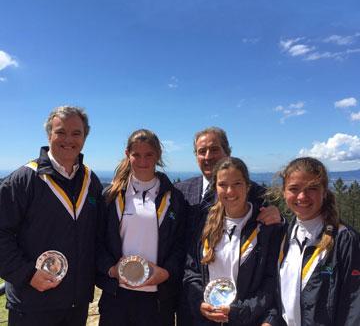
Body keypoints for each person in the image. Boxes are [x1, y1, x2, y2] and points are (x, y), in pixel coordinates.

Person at [0, 106, 104, 326]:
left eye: (76, 133)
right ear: (49, 135)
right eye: (60, 132)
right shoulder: (23, 179)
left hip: (76, 304)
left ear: (85, 137)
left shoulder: (91, 181)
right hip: (32, 304)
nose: (69, 139)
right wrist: (27, 274)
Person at [175, 127, 282, 325]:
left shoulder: (259, 195)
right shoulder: (180, 191)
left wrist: (280, 216)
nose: (208, 156)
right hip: (192, 300)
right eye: (201, 151)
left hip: (242, 308)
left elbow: (273, 237)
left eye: (214, 149)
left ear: (227, 151)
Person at [96, 129, 186, 326]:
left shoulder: (175, 199)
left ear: (158, 156)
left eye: (149, 155)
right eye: (136, 154)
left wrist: (167, 272)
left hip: (158, 299)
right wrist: (111, 270)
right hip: (116, 297)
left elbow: (181, 244)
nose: (143, 161)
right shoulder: (111, 196)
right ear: (128, 155)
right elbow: (97, 241)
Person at [274, 157, 360, 326]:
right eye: (294, 188)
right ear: (284, 192)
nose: (302, 196)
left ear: (324, 192)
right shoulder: (284, 236)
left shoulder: (344, 239)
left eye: (312, 188)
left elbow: (355, 305)